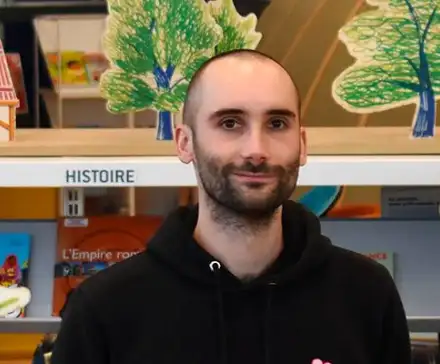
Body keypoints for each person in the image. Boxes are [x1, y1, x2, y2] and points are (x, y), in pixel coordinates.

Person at [51, 49, 411, 364]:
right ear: (185, 142)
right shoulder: (104, 310)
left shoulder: (366, 295)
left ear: (301, 144)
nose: (256, 148)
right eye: (229, 123)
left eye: (276, 123)